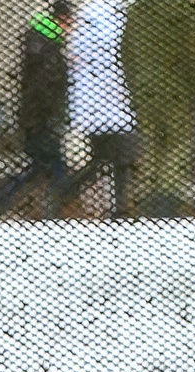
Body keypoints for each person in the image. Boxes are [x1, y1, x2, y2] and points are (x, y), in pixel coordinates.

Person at [0, 1, 76, 220]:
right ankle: (57, 213)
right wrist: (53, 116)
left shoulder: (38, 41)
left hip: (33, 118)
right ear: (63, 20)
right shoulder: (49, 47)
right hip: (43, 120)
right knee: (54, 168)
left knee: (39, 168)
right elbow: (47, 88)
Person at [121, 0, 195, 214]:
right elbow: (193, 53)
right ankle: (167, 195)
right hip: (175, 86)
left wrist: (135, 84)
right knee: (180, 141)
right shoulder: (182, 8)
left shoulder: (137, 10)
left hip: (144, 87)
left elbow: (125, 53)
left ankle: (146, 197)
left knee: (149, 142)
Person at [68, 0, 138, 216]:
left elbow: (76, 55)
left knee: (107, 159)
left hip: (98, 105)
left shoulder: (89, 14)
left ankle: (117, 207)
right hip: (112, 103)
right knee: (114, 159)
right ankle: (66, 193)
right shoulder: (115, 14)